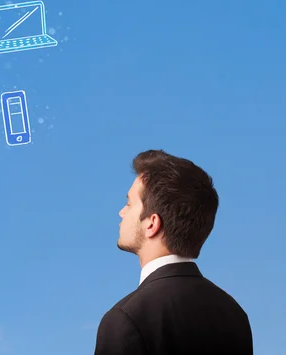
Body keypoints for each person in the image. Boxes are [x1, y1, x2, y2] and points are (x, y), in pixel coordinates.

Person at [94, 150, 253, 355]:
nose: (121, 212)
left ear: (152, 223)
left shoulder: (125, 319)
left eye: (129, 203)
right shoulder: (234, 314)